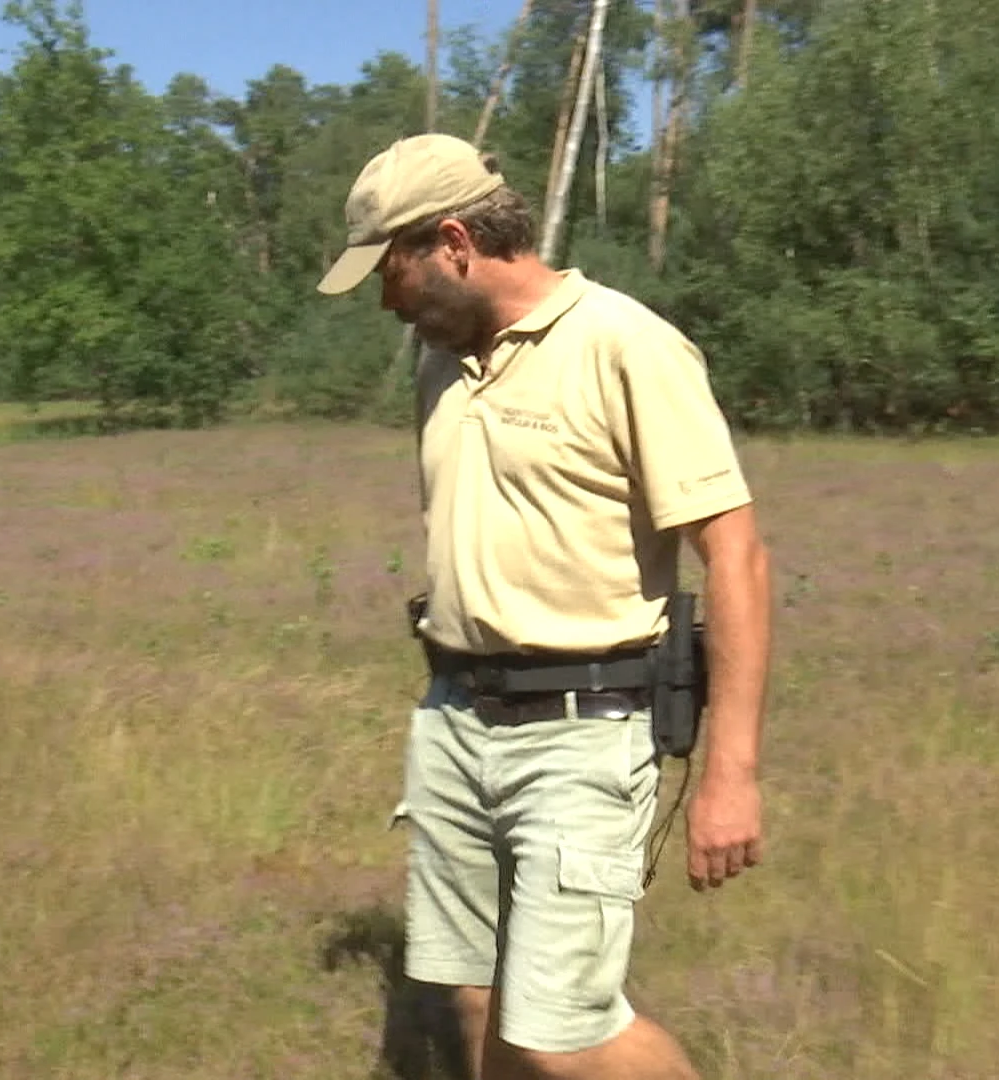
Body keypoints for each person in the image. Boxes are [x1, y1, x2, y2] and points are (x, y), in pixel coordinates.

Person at [316, 132, 774, 1080]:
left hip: (583, 729)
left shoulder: (626, 345)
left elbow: (736, 553)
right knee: (472, 993)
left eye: (389, 271)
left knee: (563, 1036)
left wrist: (731, 772)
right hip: (451, 721)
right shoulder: (440, 360)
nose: (385, 300)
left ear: (452, 241)